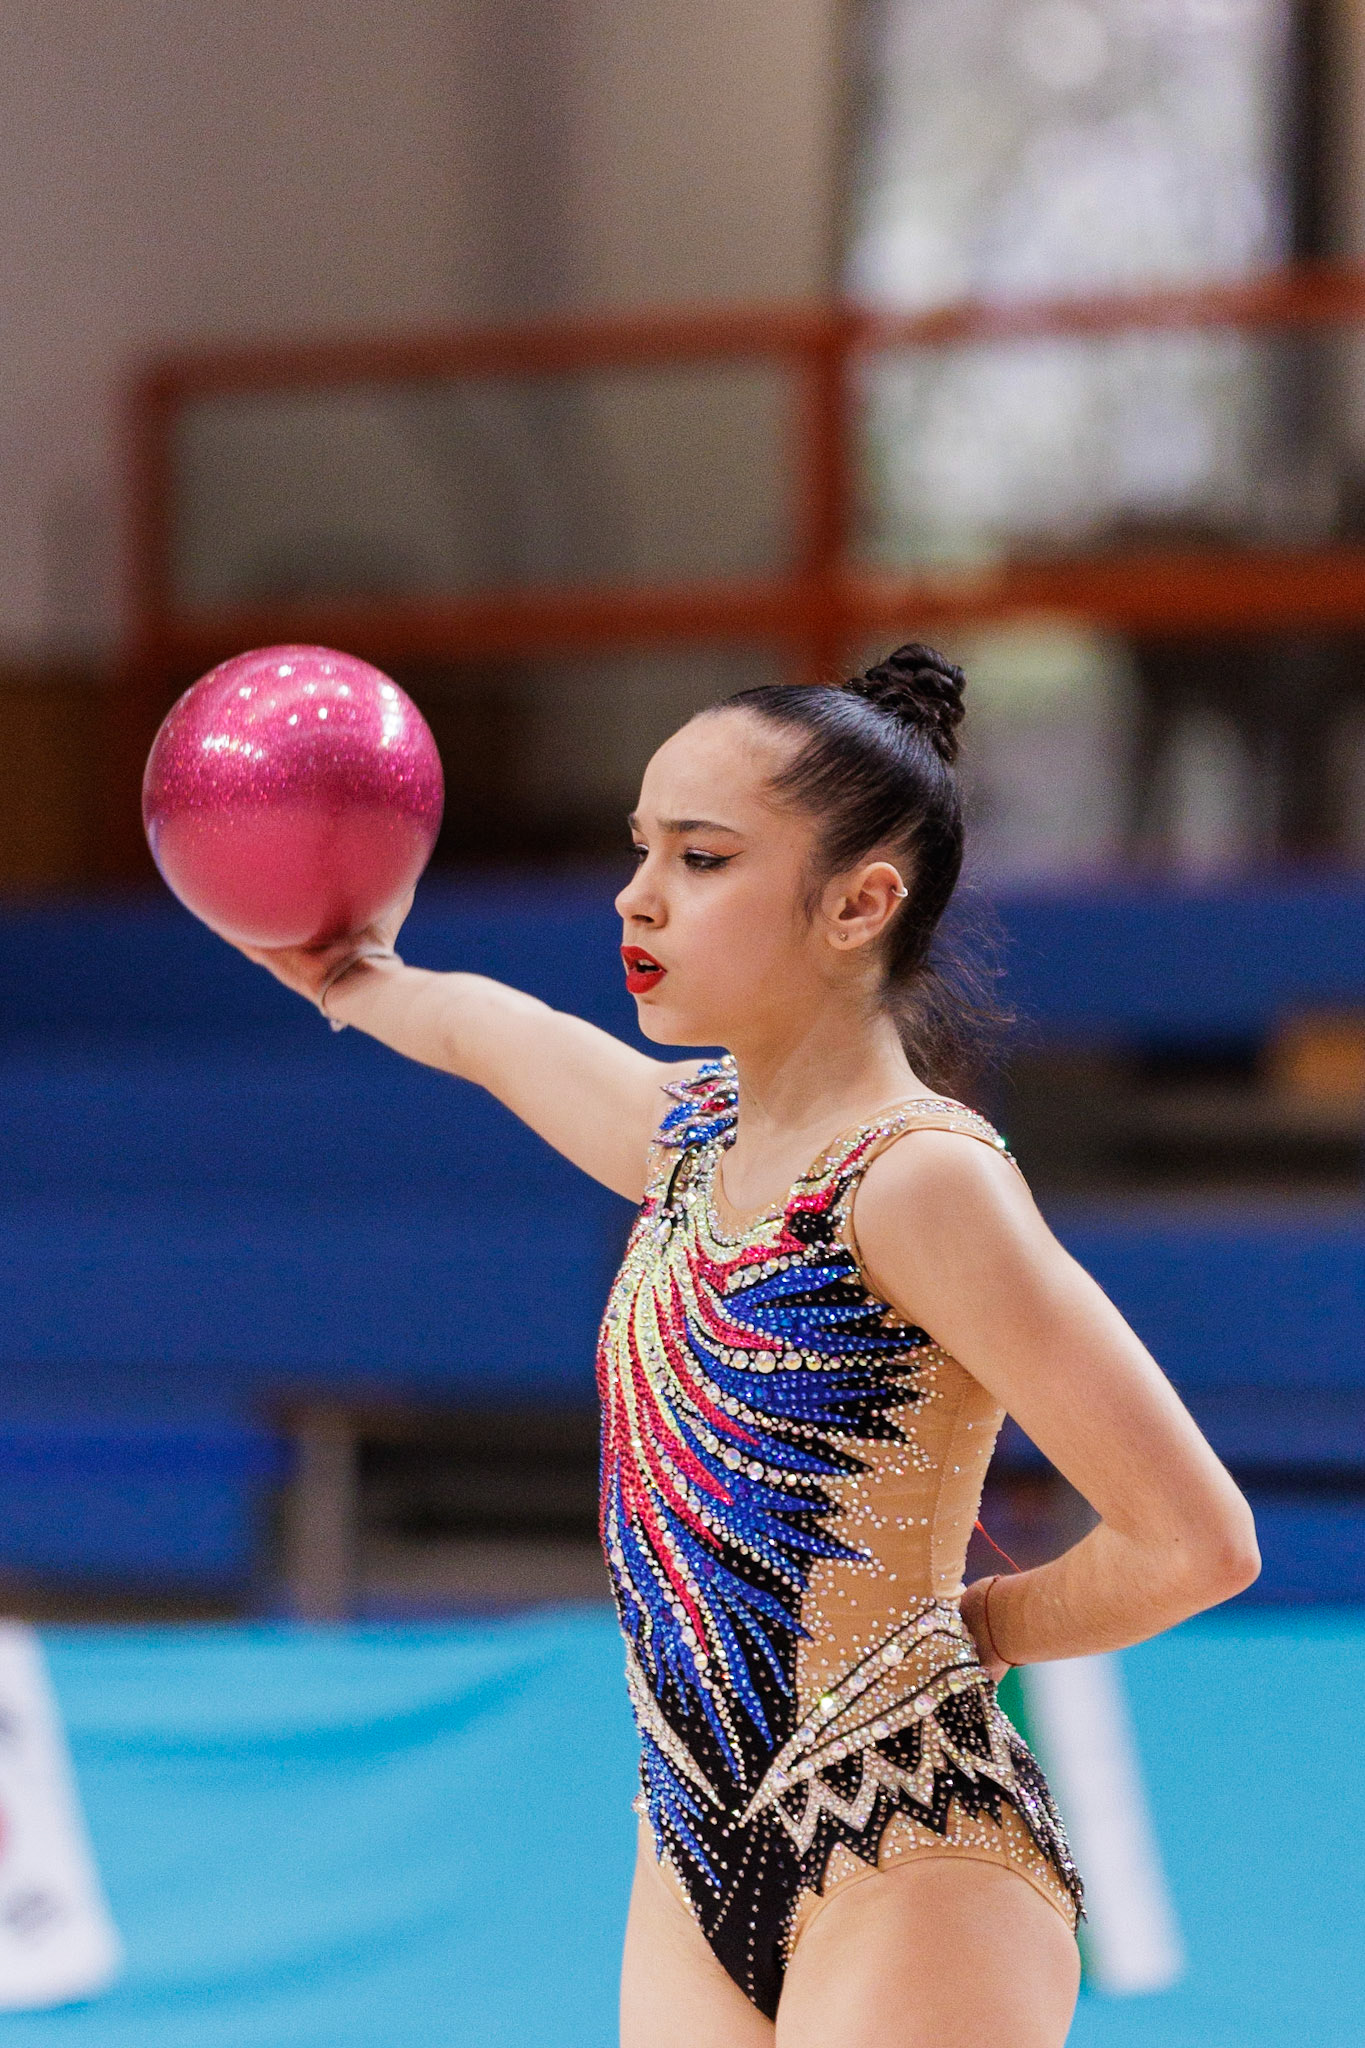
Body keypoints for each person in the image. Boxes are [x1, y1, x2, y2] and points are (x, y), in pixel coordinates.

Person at [231, 644, 1260, 2048]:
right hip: (691, 1842)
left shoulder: (916, 1181)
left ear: (857, 903)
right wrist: (344, 966)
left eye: (702, 857)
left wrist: (972, 1631)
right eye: (639, 846)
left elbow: (1194, 1539)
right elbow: (497, 1032)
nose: (637, 894)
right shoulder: (690, 1147)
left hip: (907, 1841)